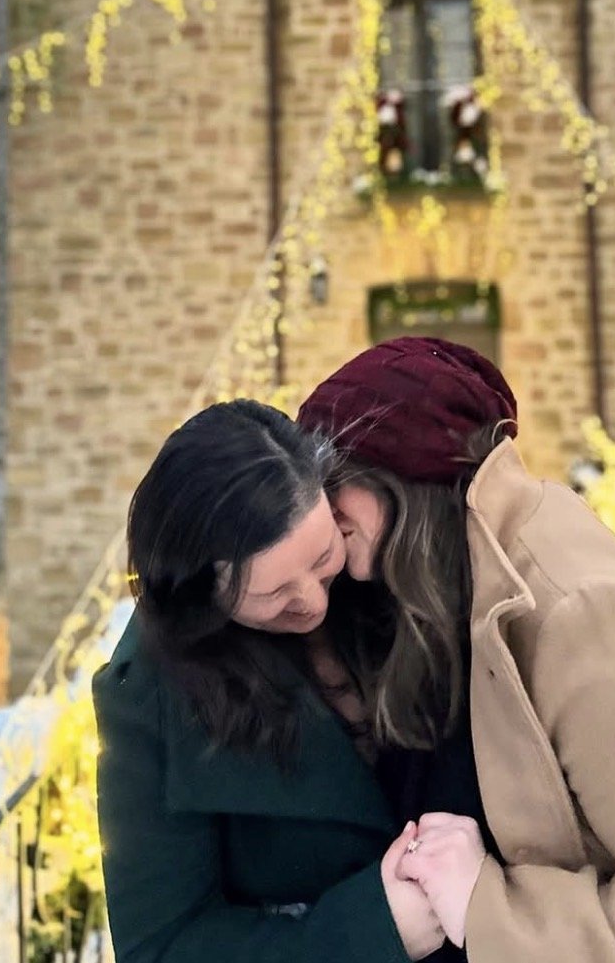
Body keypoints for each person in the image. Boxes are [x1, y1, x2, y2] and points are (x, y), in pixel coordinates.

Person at [296, 335, 615, 962]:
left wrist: (487, 908)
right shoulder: (436, 602)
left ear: (407, 474)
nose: (318, 508)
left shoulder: (584, 622)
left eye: (332, 475)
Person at [92, 398, 448, 963]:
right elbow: (162, 945)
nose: (312, 602)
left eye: (322, 555)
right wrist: (368, 932)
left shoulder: (390, 576)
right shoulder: (149, 697)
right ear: (205, 594)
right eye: (273, 594)